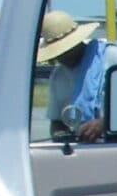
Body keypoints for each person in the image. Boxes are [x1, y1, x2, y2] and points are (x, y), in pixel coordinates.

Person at [36, 9, 110, 140]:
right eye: (58, 53)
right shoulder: (58, 77)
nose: (63, 56)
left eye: (67, 49)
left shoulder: (111, 58)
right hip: (83, 151)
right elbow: (57, 122)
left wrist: (104, 124)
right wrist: (60, 134)